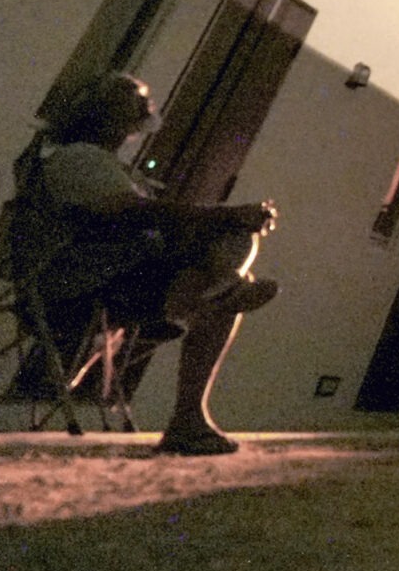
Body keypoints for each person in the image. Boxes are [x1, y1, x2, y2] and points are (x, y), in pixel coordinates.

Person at [28, 72, 280, 455]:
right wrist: (222, 215)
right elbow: (134, 214)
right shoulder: (80, 158)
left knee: (224, 261)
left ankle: (222, 286)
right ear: (108, 116)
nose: (137, 120)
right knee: (227, 250)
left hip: (111, 276)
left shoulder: (93, 162)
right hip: (83, 284)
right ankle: (188, 418)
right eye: (133, 110)